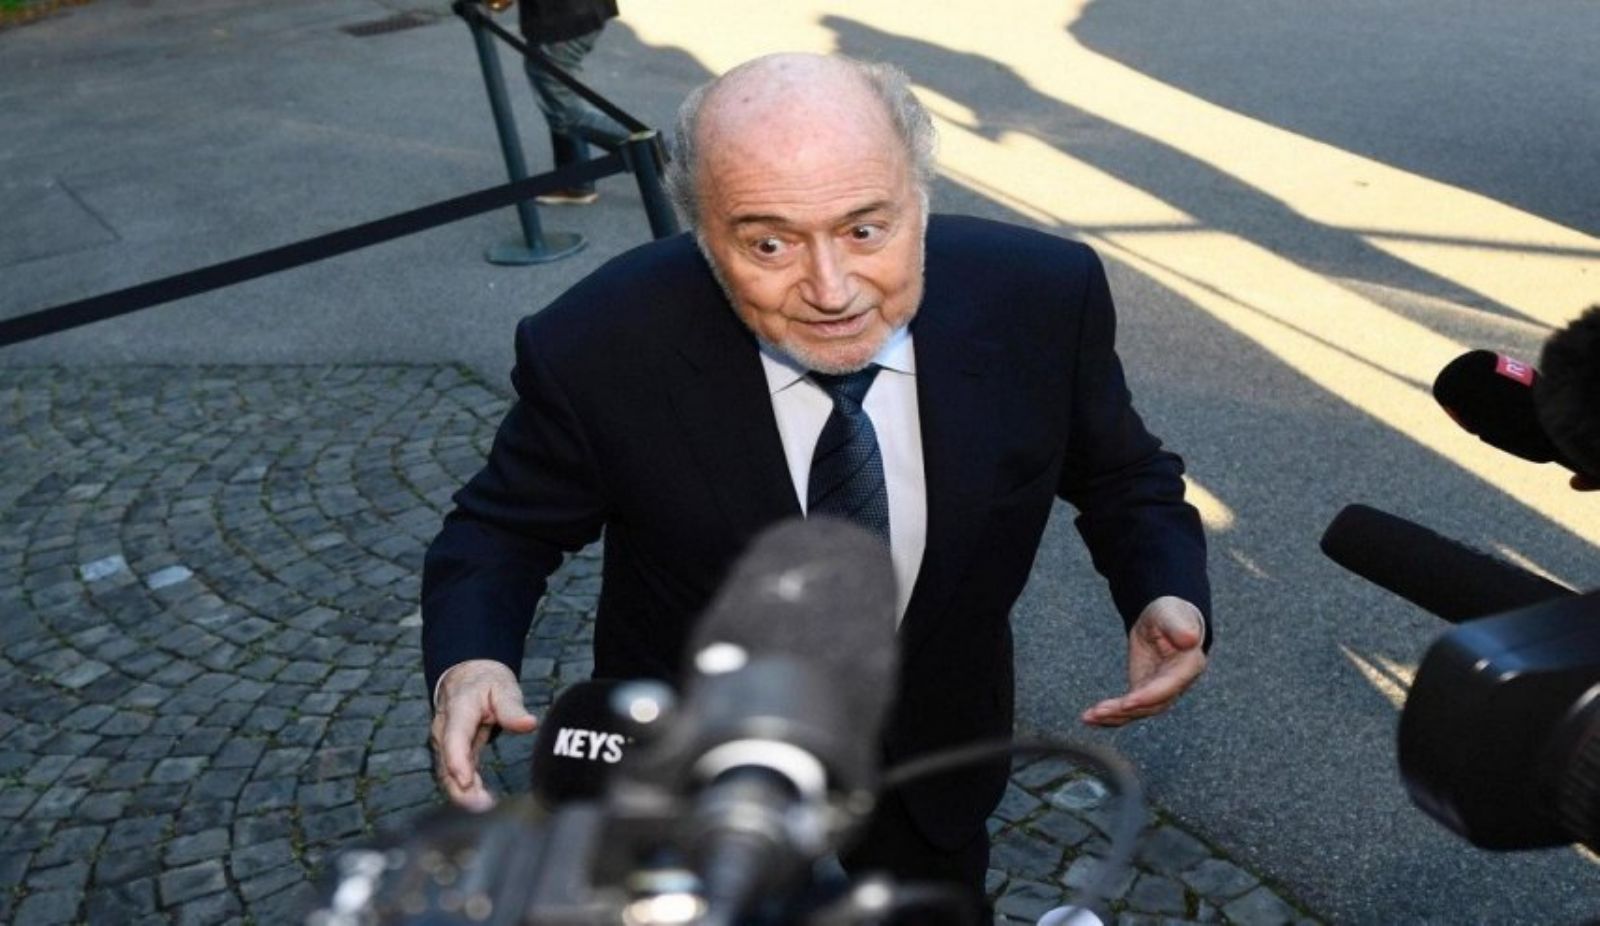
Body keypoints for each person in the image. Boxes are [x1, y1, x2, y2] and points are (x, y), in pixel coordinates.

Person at [422, 52, 1212, 906]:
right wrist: (471, 661)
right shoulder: (600, 343)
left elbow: (1122, 472)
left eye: (866, 231)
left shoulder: (1043, 298)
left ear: (920, 198)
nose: (831, 291)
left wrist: (1162, 587)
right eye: (769, 244)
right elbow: (502, 529)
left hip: (934, 753)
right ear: (702, 233)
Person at [513, 0, 625, 204]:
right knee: (559, 98)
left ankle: (667, 155)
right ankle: (575, 181)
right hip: (575, 12)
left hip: (563, 18)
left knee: (567, 114)